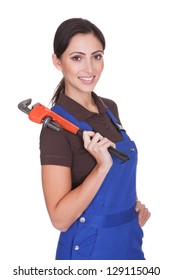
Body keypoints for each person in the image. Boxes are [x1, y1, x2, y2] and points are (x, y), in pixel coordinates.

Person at [40, 18, 151, 260]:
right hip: (89, 252)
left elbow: (119, 176)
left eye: (97, 56)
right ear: (57, 61)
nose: (89, 68)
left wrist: (131, 207)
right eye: (77, 58)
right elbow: (59, 219)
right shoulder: (55, 128)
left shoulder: (109, 108)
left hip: (128, 242)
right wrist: (101, 168)